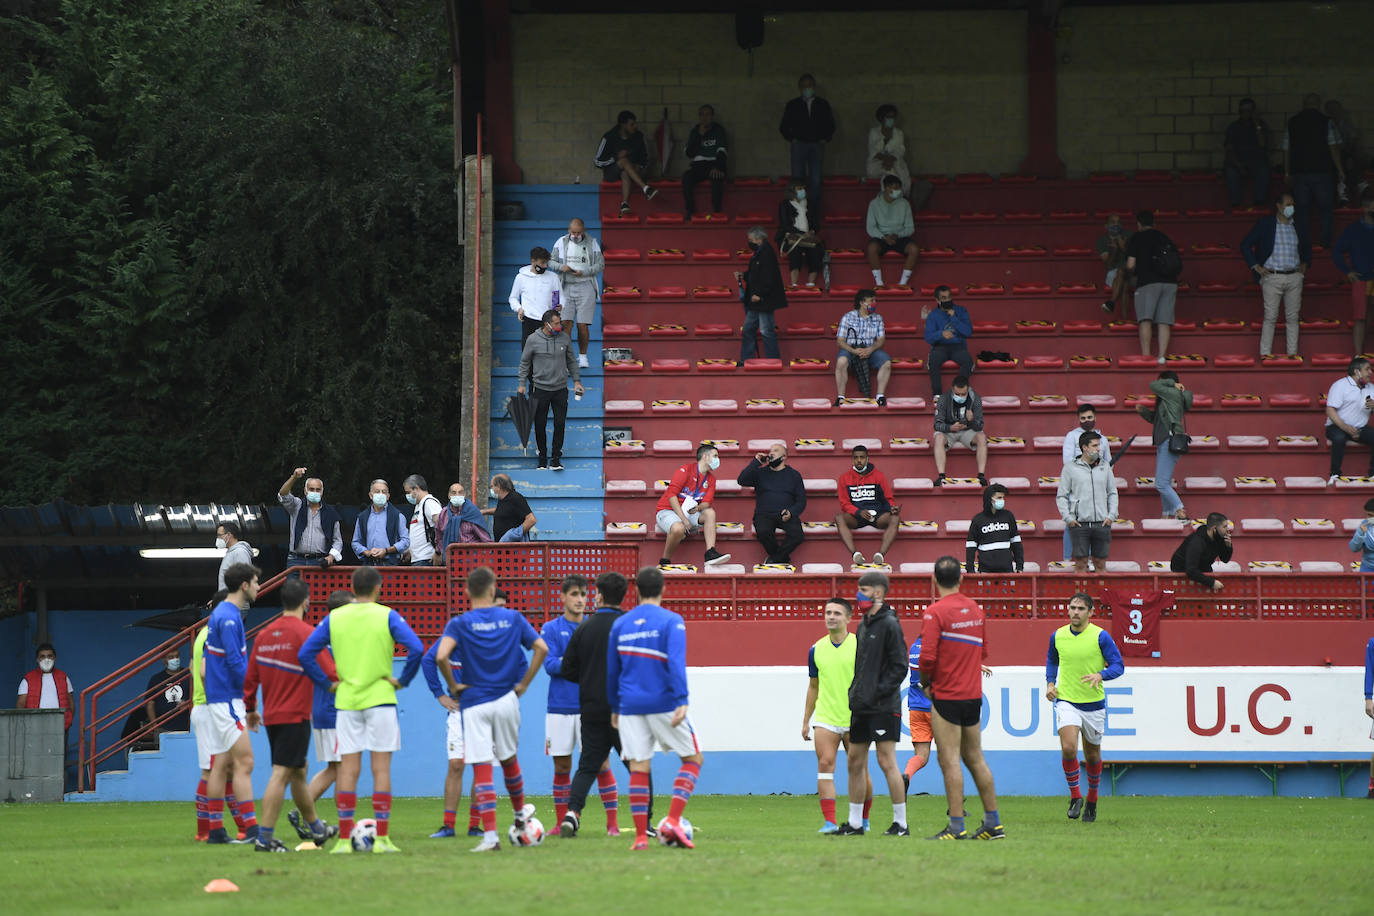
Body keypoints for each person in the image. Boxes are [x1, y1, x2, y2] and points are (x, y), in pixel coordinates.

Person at [299, 565, 425, 854]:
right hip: (381, 699)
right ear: (378, 587)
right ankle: (381, 839)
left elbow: (306, 653)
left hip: (346, 702)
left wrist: (327, 682)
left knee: (348, 770)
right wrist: (402, 681)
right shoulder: (387, 615)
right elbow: (417, 648)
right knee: (381, 769)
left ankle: (344, 839)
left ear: (353, 588)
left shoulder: (335, 618)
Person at [435, 566, 548, 852]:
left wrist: (453, 686)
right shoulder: (513, 618)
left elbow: (440, 656)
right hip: (507, 699)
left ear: (465, 592)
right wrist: (523, 684)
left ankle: (491, 838)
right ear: (492, 588)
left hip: (474, 702)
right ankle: (521, 811)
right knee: (509, 760)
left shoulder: (459, 623)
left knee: (482, 765)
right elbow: (542, 649)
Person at [606, 566, 704, 850]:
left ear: (636, 591)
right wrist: (682, 699)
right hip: (662, 702)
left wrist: (614, 706)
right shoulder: (672, 621)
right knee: (693, 759)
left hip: (629, 705)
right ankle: (673, 820)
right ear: (663, 589)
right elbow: (675, 662)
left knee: (638, 767)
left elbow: (612, 671)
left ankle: (639, 838)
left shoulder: (620, 625)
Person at [242, 577, 332, 851]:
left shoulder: (265, 635)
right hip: (296, 715)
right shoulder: (307, 634)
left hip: (272, 716)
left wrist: (251, 710)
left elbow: (251, 678)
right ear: (306, 601)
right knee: (282, 772)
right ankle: (265, 839)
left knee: (297, 772)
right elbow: (330, 671)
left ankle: (317, 828)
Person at [919, 556, 1002, 840]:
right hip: (972, 695)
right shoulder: (977, 610)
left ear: (934, 579)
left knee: (949, 759)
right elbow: (984, 651)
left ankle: (956, 826)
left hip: (947, 695)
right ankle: (994, 823)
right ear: (961, 579)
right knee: (975, 757)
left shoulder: (934, 612)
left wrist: (925, 684)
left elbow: (927, 658)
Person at [559, 571, 639, 839]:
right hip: (624, 709)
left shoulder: (584, 627)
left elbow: (568, 669)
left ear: (600, 596)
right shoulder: (630, 625)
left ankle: (573, 813)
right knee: (636, 764)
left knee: (587, 766)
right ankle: (646, 819)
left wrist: (590, 677)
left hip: (591, 707)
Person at [1045, 593, 1124, 824]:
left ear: (1090, 612)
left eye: (1080, 608)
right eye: (1072, 608)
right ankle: (1075, 797)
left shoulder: (1101, 636)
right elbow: (1052, 660)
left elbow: (1119, 665)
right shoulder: (1058, 635)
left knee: (1092, 755)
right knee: (1069, 748)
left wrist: (1101, 675)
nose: (1075, 612)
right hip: (1066, 700)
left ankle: (1092, 800)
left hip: (1094, 705)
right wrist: (1050, 683)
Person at [839, 571, 908, 836]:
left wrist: (878, 692)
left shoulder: (890, 624)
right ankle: (855, 823)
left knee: (886, 761)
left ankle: (901, 823)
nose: (859, 595)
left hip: (882, 705)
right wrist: (856, 693)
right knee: (854, 761)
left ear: (878, 593)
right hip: (860, 705)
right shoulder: (863, 623)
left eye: (864, 590)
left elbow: (900, 666)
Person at [190, 589, 257, 843]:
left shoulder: (201, 635)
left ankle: (239, 826)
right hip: (210, 706)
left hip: (205, 706)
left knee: (224, 768)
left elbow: (193, 668)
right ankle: (206, 831)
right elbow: (205, 671)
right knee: (213, 770)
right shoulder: (213, 634)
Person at [202, 563, 261, 845]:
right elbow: (235, 662)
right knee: (245, 761)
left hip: (219, 697)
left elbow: (206, 665)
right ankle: (251, 828)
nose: (260, 587)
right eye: (257, 582)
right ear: (245, 585)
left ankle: (215, 831)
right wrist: (251, 695)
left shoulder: (221, 614)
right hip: (228, 699)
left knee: (221, 764)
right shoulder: (229, 617)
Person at [802, 597, 870, 834]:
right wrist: (805, 720)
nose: (831, 616)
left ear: (849, 619)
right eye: (828, 612)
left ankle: (864, 818)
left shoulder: (861, 644)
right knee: (825, 764)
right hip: (826, 717)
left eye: (837, 613)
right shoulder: (816, 649)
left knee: (859, 770)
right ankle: (830, 822)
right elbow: (813, 686)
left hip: (856, 717)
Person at [290, 588, 350, 843]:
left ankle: (304, 810)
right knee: (344, 768)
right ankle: (339, 821)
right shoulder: (339, 639)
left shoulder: (320, 638)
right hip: (334, 710)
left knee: (335, 768)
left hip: (321, 709)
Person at [540, 575, 593, 829]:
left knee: (600, 764)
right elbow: (549, 665)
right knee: (562, 765)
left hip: (589, 707)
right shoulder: (550, 628)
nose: (580, 599)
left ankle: (613, 826)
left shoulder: (593, 627)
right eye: (575, 594)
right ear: (562, 597)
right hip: (559, 707)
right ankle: (561, 823)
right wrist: (581, 665)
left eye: (583, 594)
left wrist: (570, 664)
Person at [1241, 193, 1310, 357]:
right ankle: (1265, 354)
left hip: (1294, 276)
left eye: (1292, 204)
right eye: (1287, 204)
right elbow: (1245, 244)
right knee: (1270, 317)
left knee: (1293, 318)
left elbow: (1306, 247)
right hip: (1272, 276)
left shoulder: (1298, 225)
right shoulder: (1266, 224)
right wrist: (1255, 266)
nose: (1290, 207)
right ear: (1278, 206)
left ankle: (1292, 354)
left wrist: (1306, 264)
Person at [517, 309, 584, 471]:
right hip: (539, 388)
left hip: (560, 389)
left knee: (560, 423)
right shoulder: (533, 339)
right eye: (555, 323)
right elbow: (524, 363)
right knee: (539, 424)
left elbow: (572, 362)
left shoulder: (564, 338)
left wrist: (576, 382)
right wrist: (522, 384)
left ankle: (555, 459)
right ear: (546, 324)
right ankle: (542, 459)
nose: (559, 325)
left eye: (559, 322)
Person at [655, 443, 731, 568]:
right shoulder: (685, 470)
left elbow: (707, 502)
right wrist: (684, 520)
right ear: (705, 457)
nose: (718, 460)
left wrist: (698, 508)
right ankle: (665, 560)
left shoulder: (711, 479)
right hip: (667, 511)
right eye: (715, 456)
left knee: (710, 513)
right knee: (678, 529)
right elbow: (671, 496)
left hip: (689, 511)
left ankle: (710, 553)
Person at [1285, 93, 1344, 248]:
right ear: (1318, 104)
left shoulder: (1292, 122)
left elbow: (1287, 149)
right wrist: (1339, 169)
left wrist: (1287, 172)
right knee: (1325, 209)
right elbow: (1333, 147)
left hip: (1299, 173)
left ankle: (1304, 243)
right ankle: (1325, 242)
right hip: (1321, 172)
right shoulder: (1326, 122)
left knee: (1303, 211)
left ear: (1304, 103)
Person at [1124, 210, 1182, 363]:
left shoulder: (1137, 238)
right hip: (1170, 283)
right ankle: (1162, 357)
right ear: (1154, 223)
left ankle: (1146, 357)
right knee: (1164, 320)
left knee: (1145, 319)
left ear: (1138, 224)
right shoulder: (1164, 237)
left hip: (1148, 283)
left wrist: (1128, 275)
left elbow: (1130, 264)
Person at [1056, 432, 1119, 573]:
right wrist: (1068, 518)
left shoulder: (1105, 466)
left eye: (1099, 445)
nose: (1099, 449)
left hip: (1102, 523)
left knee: (1101, 564)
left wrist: (1111, 516)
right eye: (1095, 445)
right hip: (1079, 524)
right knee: (1080, 564)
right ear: (1084, 447)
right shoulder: (1070, 468)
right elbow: (1061, 496)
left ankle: (1101, 595)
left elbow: (1113, 493)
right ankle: (1080, 596)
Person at [737, 442, 806, 565]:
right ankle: (781, 558)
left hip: (785, 513)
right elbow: (742, 480)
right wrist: (756, 462)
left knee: (797, 535)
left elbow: (801, 501)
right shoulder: (761, 472)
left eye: (775, 451)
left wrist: (791, 512)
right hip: (764, 514)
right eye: (770, 451)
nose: (771, 453)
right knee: (763, 532)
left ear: (784, 457)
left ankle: (774, 559)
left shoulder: (794, 475)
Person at [549, 218, 605, 369]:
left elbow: (600, 264)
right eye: (573, 232)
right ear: (569, 231)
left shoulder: (592, 242)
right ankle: (566, 359)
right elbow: (550, 262)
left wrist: (584, 272)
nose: (575, 235)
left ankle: (583, 356)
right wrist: (562, 267)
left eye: (578, 232)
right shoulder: (560, 242)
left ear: (583, 231)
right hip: (565, 285)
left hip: (586, 284)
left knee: (582, 324)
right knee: (566, 323)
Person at [778, 74, 834, 220]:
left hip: (817, 145)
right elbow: (784, 126)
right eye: (804, 86)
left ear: (814, 87)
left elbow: (831, 124)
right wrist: (792, 139)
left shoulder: (822, 104)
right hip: (799, 145)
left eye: (810, 85)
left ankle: (813, 213)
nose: (807, 88)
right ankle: (797, 211)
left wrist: (825, 138)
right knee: (797, 179)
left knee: (815, 180)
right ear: (800, 88)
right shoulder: (793, 104)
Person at [836, 445, 900, 567]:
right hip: (857, 516)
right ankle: (855, 554)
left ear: (867, 458)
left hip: (878, 515)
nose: (859, 460)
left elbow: (888, 498)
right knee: (839, 518)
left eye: (862, 457)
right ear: (852, 459)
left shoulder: (878, 476)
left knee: (895, 518)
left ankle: (880, 555)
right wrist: (858, 511)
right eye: (855, 458)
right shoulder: (844, 478)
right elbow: (844, 504)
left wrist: (891, 508)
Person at [1062, 405, 1111, 560]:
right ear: (1079, 419)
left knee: (1095, 523)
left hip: (1097, 487)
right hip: (1077, 486)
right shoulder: (1071, 436)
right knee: (1072, 522)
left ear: (1095, 418)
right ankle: (1068, 559)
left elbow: (1109, 463)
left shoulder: (1102, 439)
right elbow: (1067, 461)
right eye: (1083, 418)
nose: (1087, 421)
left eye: (1089, 417)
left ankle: (1090, 559)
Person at [735, 226, 787, 362]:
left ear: (759, 239)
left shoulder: (767, 253)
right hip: (755, 301)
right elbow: (755, 274)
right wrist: (743, 275)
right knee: (747, 329)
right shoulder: (760, 251)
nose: (749, 242)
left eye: (751, 239)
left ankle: (773, 360)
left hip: (764, 300)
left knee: (766, 331)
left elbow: (769, 277)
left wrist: (760, 294)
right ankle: (746, 359)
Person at [1333, 190, 1374, 356]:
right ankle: (1358, 355)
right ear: (1365, 209)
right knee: (1360, 318)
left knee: (1368, 318)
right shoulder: (1354, 229)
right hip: (1362, 279)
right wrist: (1347, 271)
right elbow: (1337, 250)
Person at [1148, 370, 1193, 518]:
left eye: (1163, 381)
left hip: (1168, 440)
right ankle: (1166, 514)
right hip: (1164, 440)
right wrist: (1143, 412)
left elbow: (1153, 385)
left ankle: (1180, 510)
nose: (1160, 384)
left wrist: (1171, 383)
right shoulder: (1166, 399)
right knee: (1164, 482)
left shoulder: (1172, 393)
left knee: (1161, 483)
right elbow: (1156, 421)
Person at [593, 110, 657, 215]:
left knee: (626, 172)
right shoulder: (609, 137)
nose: (635, 126)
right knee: (623, 161)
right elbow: (597, 162)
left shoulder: (639, 136)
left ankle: (625, 203)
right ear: (623, 125)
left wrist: (639, 167)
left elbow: (645, 158)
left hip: (633, 171)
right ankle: (645, 188)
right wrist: (615, 158)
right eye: (632, 124)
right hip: (612, 172)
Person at [277, 468, 342, 569]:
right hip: (296, 560)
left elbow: (337, 541)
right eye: (311, 489)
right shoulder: (296, 506)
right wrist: (294, 477)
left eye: (318, 490)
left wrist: (331, 556)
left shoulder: (331, 513)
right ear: (305, 491)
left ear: (322, 492)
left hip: (319, 561)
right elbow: (283, 495)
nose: (315, 492)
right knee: (292, 586)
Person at [835, 289, 890, 406]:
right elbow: (840, 341)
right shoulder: (848, 317)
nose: (874, 303)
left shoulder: (878, 318)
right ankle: (840, 397)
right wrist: (854, 351)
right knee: (841, 362)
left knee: (886, 362)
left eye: (875, 300)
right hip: (851, 348)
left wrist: (870, 349)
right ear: (862, 302)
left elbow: (881, 340)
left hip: (870, 349)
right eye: (871, 301)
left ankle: (880, 396)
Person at [933, 376, 988, 487]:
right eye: (957, 394)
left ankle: (981, 476)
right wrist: (950, 428)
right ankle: (941, 476)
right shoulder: (944, 399)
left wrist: (972, 420)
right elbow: (937, 425)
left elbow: (980, 426)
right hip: (949, 431)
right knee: (938, 438)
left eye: (963, 394)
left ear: (968, 390)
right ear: (953, 390)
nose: (960, 397)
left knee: (982, 437)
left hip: (968, 431)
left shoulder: (975, 399)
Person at [864, 175, 917, 288]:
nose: (898, 191)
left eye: (899, 188)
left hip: (899, 237)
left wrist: (898, 235)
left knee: (914, 249)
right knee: (871, 248)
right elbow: (871, 228)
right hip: (881, 238)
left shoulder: (904, 204)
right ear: (887, 188)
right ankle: (879, 283)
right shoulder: (874, 204)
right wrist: (884, 237)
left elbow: (910, 228)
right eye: (895, 188)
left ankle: (903, 283)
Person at [1326, 358, 1374, 482]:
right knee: (1339, 438)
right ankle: (1335, 474)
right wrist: (1346, 428)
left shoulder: (1371, 388)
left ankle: (1373, 474)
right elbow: (1330, 410)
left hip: (1360, 428)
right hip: (1337, 426)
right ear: (1357, 371)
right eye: (1367, 369)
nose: (1371, 372)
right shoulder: (1340, 385)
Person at [509, 246, 562, 348]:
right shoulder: (521, 277)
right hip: (529, 320)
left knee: (548, 352)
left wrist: (560, 306)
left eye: (546, 263)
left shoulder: (553, 277)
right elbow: (513, 298)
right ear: (533, 261)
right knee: (528, 353)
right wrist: (519, 308)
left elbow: (559, 298)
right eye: (542, 263)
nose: (545, 266)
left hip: (548, 321)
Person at [925, 285, 974, 396]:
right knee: (933, 361)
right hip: (939, 347)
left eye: (949, 297)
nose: (947, 300)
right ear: (937, 300)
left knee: (968, 361)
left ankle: (958, 393)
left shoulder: (961, 311)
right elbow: (928, 337)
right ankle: (937, 395)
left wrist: (954, 318)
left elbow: (968, 332)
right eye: (943, 298)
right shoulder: (933, 315)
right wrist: (940, 334)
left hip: (958, 346)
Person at [1223, 98, 1271, 208]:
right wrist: (1238, 165)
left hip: (1256, 162)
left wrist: (1257, 125)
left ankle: (1259, 202)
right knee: (1230, 172)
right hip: (1238, 161)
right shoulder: (1233, 127)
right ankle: (1236, 204)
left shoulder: (1260, 125)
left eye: (1248, 111)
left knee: (1264, 170)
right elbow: (1229, 149)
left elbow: (1263, 144)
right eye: (1243, 111)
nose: (1245, 114)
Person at [681, 104, 728, 218]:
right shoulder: (695, 131)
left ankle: (717, 212)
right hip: (699, 165)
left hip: (714, 163)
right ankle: (690, 211)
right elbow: (689, 153)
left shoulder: (719, 130)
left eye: (707, 114)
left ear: (712, 116)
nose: (704, 117)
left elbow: (722, 151)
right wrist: (699, 135)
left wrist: (718, 167)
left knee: (717, 177)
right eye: (702, 114)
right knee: (687, 177)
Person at [776, 179, 824, 288]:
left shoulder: (810, 204)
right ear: (792, 190)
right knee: (795, 251)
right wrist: (800, 233)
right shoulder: (785, 204)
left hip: (808, 237)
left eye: (803, 188)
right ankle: (794, 283)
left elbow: (815, 223)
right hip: (792, 236)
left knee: (816, 251)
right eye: (799, 189)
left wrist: (812, 232)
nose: (802, 191)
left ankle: (811, 282)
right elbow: (785, 224)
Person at [966, 483, 1024, 574]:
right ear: (990, 499)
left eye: (1003, 497)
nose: (1002, 500)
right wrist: (970, 570)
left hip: (1007, 571)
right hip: (985, 572)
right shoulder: (978, 519)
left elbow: (1016, 543)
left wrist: (1019, 566)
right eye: (999, 498)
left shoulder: (1008, 516)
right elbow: (970, 546)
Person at [1170, 512, 1233, 591]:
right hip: (1182, 574)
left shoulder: (1219, 538)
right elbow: (1191, 570)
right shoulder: (1196, 543)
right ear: (1214, 529)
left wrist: (1228, 547)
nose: (1227, 530)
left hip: (1201, 571)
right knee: (1189, 600)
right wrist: (1211, 582)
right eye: (1225, 527)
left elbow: (1225, 559)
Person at [18, 643, 74, 731]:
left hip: (60, 725)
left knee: (60, 745)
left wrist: (68, 721)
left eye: (49, 656)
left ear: (54, 658)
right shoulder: (28, 679)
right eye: (42, 656)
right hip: (35, 726)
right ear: (37, 659)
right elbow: (20, 704)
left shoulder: (63, 677)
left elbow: (71, 702)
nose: (46, 659)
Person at [902, 633, 932, 795]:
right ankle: (956, 806)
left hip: (916, 708)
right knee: (950, 756)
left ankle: (907, 774)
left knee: (921, 756)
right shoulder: (934, 648)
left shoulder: (914, 647)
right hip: (936, 709)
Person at [351, 479, 408, 565]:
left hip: (390, 564)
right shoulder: (362, 517)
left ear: (388, 496)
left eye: (384, 492)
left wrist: (386, 550)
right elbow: (355, 542)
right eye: (377, 492)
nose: (381, 494)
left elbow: (405, 541)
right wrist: (366, 552)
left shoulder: (397, 516)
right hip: (369, 564)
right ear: (370, 495)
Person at [433, 482, 492, 563]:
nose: (457, 495)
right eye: (454, 493)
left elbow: (485, 539)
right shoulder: (444, 514)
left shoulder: (472, 512)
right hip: (450, 561)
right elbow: (439, 535)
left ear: (464, 495)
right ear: (449, 496)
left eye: (460, 493)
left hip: (471, 560)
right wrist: (439, 552)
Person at [144, 646, 190, 739]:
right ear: (163, 660)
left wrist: (189, 704)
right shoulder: (156, 679)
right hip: (163, 728)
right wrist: (154, 725)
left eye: (177, 656)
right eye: (171, 657)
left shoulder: (189, 675)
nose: (175, 659)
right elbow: (150, 703)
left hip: (188, 727)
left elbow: (200, 696)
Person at [1326, 99, 1366, 203]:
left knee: (1351, 157)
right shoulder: (1325, 124)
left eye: (1336, 109)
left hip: (1345, 154)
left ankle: (1351, 187)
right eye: (1331, 110)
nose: (1335, 112)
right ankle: (1347, 187)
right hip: (1329, 156)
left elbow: (1353, 138)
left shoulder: (1346, 123)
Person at [866, 103, 910, 194]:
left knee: (895, 173)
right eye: (888, 117)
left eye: (893, 117)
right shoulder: (873, 132)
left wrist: (890, 159)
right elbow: (873, 151)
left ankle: (899, 197)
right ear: (882, 118)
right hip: (877, 164)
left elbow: (900, 150)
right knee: (890, 172)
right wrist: (885, 159)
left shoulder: (898, 133)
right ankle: (893, 197)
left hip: (894, 163)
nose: (891, 119)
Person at [1096, 213, 1134, 314]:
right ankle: (1125, 321)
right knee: (1124, 285)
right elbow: (1108, 265)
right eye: (1113, 222)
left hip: (1131, 270)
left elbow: (1135, 257)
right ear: (1106, 226)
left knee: (1122, 271)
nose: (1116, 225)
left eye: (1118, 222)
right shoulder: (1102, 240)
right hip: (1113, 272)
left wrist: (1123, 248)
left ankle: (1111, 302)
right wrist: (1115, 250)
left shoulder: (1129, 235)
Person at [401, 474, 442, 566]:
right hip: (419, 559)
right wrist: (410, 550)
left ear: (416, 488)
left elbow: (442, 527)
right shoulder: (419, 505)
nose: (407, 496)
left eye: (408, 492)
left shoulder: (429, 503)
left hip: (427, 559)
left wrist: (438, 551)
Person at [485, 474, 536, 543]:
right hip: (502, 548)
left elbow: (531, 520)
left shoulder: (516, 498)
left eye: (492, 486)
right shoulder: (502, 499)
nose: (491, 489)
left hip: (514, 549)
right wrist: (484, 512)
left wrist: (512, 535)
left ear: (499, 486)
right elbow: (503, 510)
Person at [215, 521, 253, 590]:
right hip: (228, 599)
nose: (218, 538)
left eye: (220, 535)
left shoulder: (240, 552)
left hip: (234, 600)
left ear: (229, 535)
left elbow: (243, 579)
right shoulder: (231, 553)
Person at [1348, 498, 1374, 572]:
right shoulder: (1364, 525)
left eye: (1371, 515)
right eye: (1367, 514)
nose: (1368, 518)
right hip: (1368, 568)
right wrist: (1360, 534)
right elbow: (1353, 548)